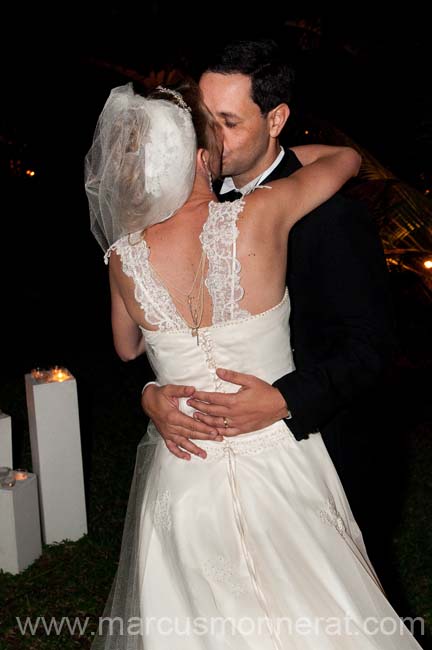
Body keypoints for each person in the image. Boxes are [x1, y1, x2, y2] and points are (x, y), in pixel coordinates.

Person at [85, 80, 422, 648]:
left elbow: (126, 349)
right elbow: (346, 159)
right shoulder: (263, 213)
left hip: (186, 468)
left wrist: (151, 391)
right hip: (278, 460)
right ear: (198, 158)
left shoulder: (122, 255)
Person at [141, 39, 396, 585]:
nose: (210, 140)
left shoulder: (330, 216)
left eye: (228, 122)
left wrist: (284, 401)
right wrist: (151, 394)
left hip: (321, 454)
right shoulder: (179, 208)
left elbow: (370, 348)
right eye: (203, 120)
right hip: (208, 476)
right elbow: (157, 329)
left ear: (276, 118)